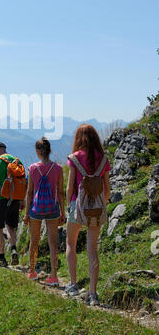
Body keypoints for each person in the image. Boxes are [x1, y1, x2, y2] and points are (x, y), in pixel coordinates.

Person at [65, 124, 111, 306]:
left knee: (71, 243)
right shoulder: (103, 159)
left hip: (77, 205)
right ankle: (93, 293)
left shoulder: (74, 158)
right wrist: (101, 203)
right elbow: (107, 188)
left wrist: (69, 205)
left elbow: (70, 187)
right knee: (92, 250)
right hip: (96, 208)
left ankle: (73, 284)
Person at [23, 137, 65, 286]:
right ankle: (54, 276)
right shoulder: (58, 169)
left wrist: (27, 213)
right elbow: (61, 193)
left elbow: (29, 193)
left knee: (34, 241)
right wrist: (63, 213)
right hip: (53, 209)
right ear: (49, 150)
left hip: (36, 209)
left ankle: (32, 272)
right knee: (52, 242)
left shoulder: (33, 168)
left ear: (37, 151)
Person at [0, 142, 24, 267]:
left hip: (1, 199)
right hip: (15, 199)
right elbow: (23, 182)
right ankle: (13, 249)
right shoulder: (17, 161)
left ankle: (2, 258)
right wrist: (22, 200)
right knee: (11, 227)